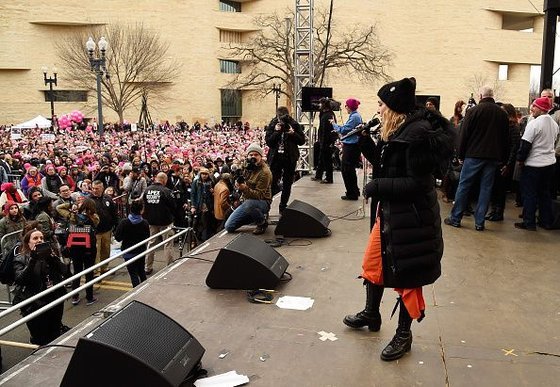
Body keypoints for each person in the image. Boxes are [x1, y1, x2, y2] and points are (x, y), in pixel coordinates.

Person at [344, 77, 450, 361]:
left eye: (381, 104)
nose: (377, 110)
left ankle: (404, 334)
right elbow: (386, 164)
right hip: (391, 214)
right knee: (374, 264)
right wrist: (365, 142)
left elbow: (418, 184)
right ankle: (371, 313)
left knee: (408, 278)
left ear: (393, 108)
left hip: (412, 221)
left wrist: (377, 187)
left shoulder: (418, 135)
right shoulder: (399, 129)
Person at [444, 86, 509, 231]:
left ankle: (455, 218)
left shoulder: (473, 111)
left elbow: (464, 134)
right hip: (493, 157)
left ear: (480, 96)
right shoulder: (502, 114)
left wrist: (460, 154)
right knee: (486, 188)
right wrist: (503, 159)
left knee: (464, 185)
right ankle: (480, 222)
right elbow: (506, 139)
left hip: (473, 155)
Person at [12, 227, 68, 345]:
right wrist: (33, 259)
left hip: (54, 298)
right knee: (40, 336)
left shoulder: (49, 255)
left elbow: (65, 271)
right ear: (28, 242)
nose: (39, 240)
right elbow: (20, 279)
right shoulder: (20, 258)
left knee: (55, 331)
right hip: (34, 303)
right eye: (35, 238)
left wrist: (52, 258)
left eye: (41, 238)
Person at [515, 96, 559, 230]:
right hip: (550, 163)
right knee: (544, 193)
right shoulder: (554, 124)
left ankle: (529, 222)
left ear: (541, 108)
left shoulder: (534, 124)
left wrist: (520, 160)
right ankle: (546, 221)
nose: (532, 108)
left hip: (534, 165)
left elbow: (525, 145)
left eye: (535, 106)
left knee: (530, 194)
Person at [56, 197, 99, 305]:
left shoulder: (73, 217)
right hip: (89, 249)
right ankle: (90, 297)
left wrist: (71, 205)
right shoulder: (94, 218)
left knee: (77, 272)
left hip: (75, 249)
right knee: (89, 272)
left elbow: (58, 207)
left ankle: (75, 297)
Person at [265, 106, 306, 214]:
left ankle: (283, 206)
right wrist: (277, 132)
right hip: (276, 158)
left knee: (287, 183)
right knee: (272, 183)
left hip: (290, 157)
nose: (281, 121)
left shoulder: (294, 124)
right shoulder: (273, 124)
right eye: (280, 119)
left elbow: (302, 141)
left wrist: (293, 134)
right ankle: (266, 207)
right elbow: (269, 142)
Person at [224, 143, 272, 235]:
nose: (253, 157)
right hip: (246, 201)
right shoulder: (245, 166)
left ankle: (262, 223)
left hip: (262, 201)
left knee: (249, 204)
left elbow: (259, 195)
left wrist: (244, 188)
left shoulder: (265, 172)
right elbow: (236, 179)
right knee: (229, 226)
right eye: (251, 155)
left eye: (256, 155)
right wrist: (235, 180)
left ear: (261, 156)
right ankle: (255, 216)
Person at [486, 103, 521, 221]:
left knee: (500, 190)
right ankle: (494, 210)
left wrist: (508, 165)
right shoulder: (503, 126)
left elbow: (514, 148)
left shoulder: (513, 128)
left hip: (505, 163)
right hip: (498, 161)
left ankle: (498, 212)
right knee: (495, 188)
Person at [143, 172, 176, 275]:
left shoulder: (147, 190)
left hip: (151, 221)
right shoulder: (166, 191)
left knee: (151, 243)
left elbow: (144, 203)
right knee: (168, 243)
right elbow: (173, 205)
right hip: (165, 221)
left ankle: (147, 267)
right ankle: (169, 265)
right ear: (164, 180)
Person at [331, 98, 363, 200]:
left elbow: (344, 130)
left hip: (351, 146)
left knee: (346, 170)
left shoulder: (354, 117)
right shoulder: (355, 116)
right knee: (350, 170)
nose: (345, 108)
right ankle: (354, 191)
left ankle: (351, 193)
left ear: (349, 107)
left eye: (346, 106)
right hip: (352, 146)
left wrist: (333, 124)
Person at [114, 200, 150, 287]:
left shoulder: (124, 223)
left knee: (133, 274)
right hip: (140, 251)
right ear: (141, 210)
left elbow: (118, 238)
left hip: (128, 252)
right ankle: (145, 289)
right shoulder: (144, 223)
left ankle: (136, 292)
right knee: (141, 271)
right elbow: (147, 237)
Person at [90, 180, 118, 274]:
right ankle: (96, 271)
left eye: (97, 188)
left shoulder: (108, 199)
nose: (94, 190)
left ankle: (104, 268)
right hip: (95, 232)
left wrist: (115, 225)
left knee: (106, 250)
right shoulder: (89, 200)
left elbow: (114, 213)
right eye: (93, 188)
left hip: (107, 230)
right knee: (96, 253)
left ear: (102, 188)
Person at [311, 98, 337, 184]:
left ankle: (329, 178)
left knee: (327, 160)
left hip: (326, 142)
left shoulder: (328, 115)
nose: (319, 105)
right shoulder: (326, 114)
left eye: (321, 104)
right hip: (324, 141)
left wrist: (325, 142)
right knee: (321, 159)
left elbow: (326, 130)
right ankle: (319, 175)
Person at [190, 167, 216, 241]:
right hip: (199, 204)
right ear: (200, 174)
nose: (204, 176)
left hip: (208, 205)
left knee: (207, 222)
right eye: (203, 174)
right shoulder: (196, 182)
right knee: (197, 222)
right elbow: (193, 194)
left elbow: (214, 195)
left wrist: (212, 192)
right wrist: (193, 206)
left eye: (206, 174)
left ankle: (205, 237)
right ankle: (195, 239)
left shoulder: (211, 182)